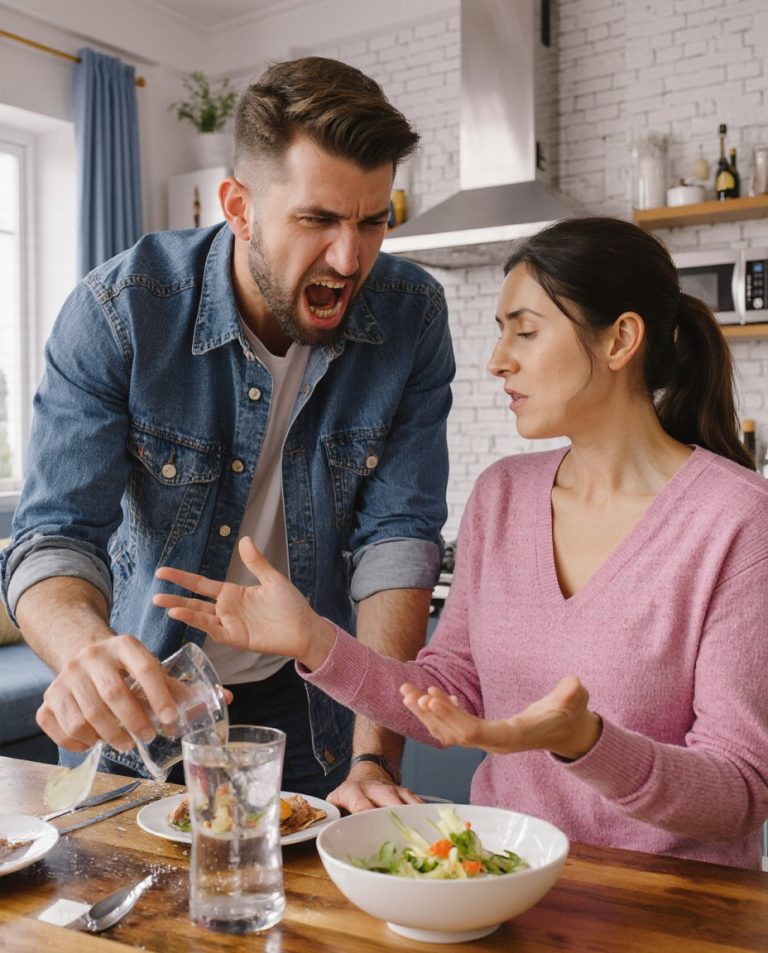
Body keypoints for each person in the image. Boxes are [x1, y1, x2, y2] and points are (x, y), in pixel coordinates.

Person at [153, 217, 768, 869]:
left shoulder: (737, 520)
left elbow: (740, 792)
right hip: (501, 883)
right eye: (502, 331)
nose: (498, 360)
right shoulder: (503, 493)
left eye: (525, 331)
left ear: (620, 339)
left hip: (675, 910)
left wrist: (588, 743)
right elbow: (447, 689)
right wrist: (314, 639)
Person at [0, 57, 455, 809]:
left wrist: (375, 760)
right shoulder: (121, 311)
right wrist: (84, 654)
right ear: (239, 207)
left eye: (373, 220)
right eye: (318, 219)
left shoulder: (412, 317)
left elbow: (398, 540)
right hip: (138, 703)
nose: (351, 259)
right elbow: (54, 534)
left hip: (310, 713)